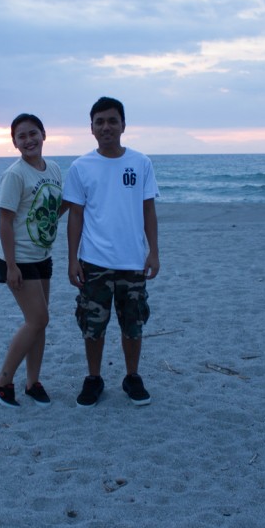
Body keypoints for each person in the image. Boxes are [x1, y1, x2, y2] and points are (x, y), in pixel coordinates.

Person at [63, 97, 159, 408]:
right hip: (94, 261)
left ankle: (132, 377)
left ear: (123, 125)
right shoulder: (80, 167)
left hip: (132, 261)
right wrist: (72, 259)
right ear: (91, 128)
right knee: (93, 325)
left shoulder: (141, 163)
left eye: (112, 120)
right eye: (100, 121)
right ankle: (94, 378)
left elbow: (148, 210)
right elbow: (75, 215)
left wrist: (153, 251)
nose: (106, 126)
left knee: (133, 324)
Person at [0, 113, 65, 408]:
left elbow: (52, 207)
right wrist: (11, 266)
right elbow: (5, 221)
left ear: (44, 135)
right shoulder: (15, 174)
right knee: (38, 319)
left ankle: (33, 382)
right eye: (22, 136)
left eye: (33, 133)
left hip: (42, 255)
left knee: (38, 323)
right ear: (14, 143)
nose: (29, 140)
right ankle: (1, 381)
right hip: (17, 258)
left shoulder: (54, 168)